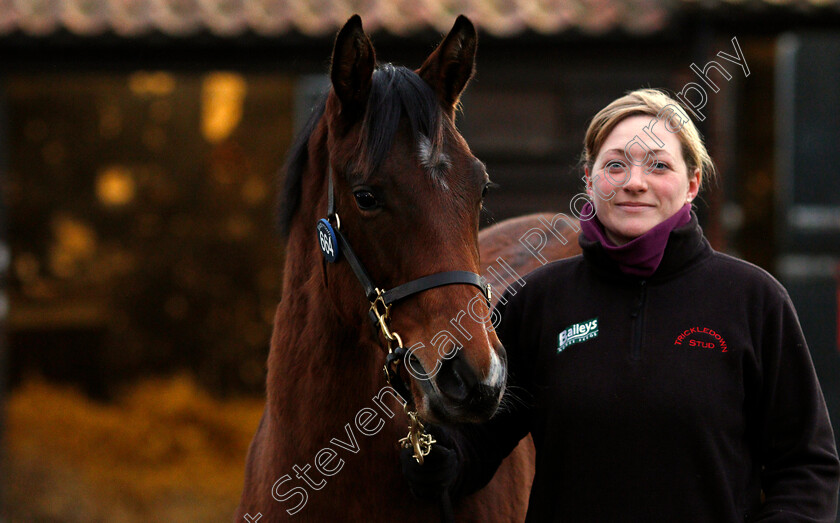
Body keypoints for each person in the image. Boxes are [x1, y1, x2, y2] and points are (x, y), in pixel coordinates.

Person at [401, 89, 840, 521]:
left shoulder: (754, 300)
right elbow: (479, 442)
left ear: (692, 183)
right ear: (589, 180)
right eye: (615, 165)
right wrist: (444, 459)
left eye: (658, 165)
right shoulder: (537, 301)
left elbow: (805, 466)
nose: (634, 182)